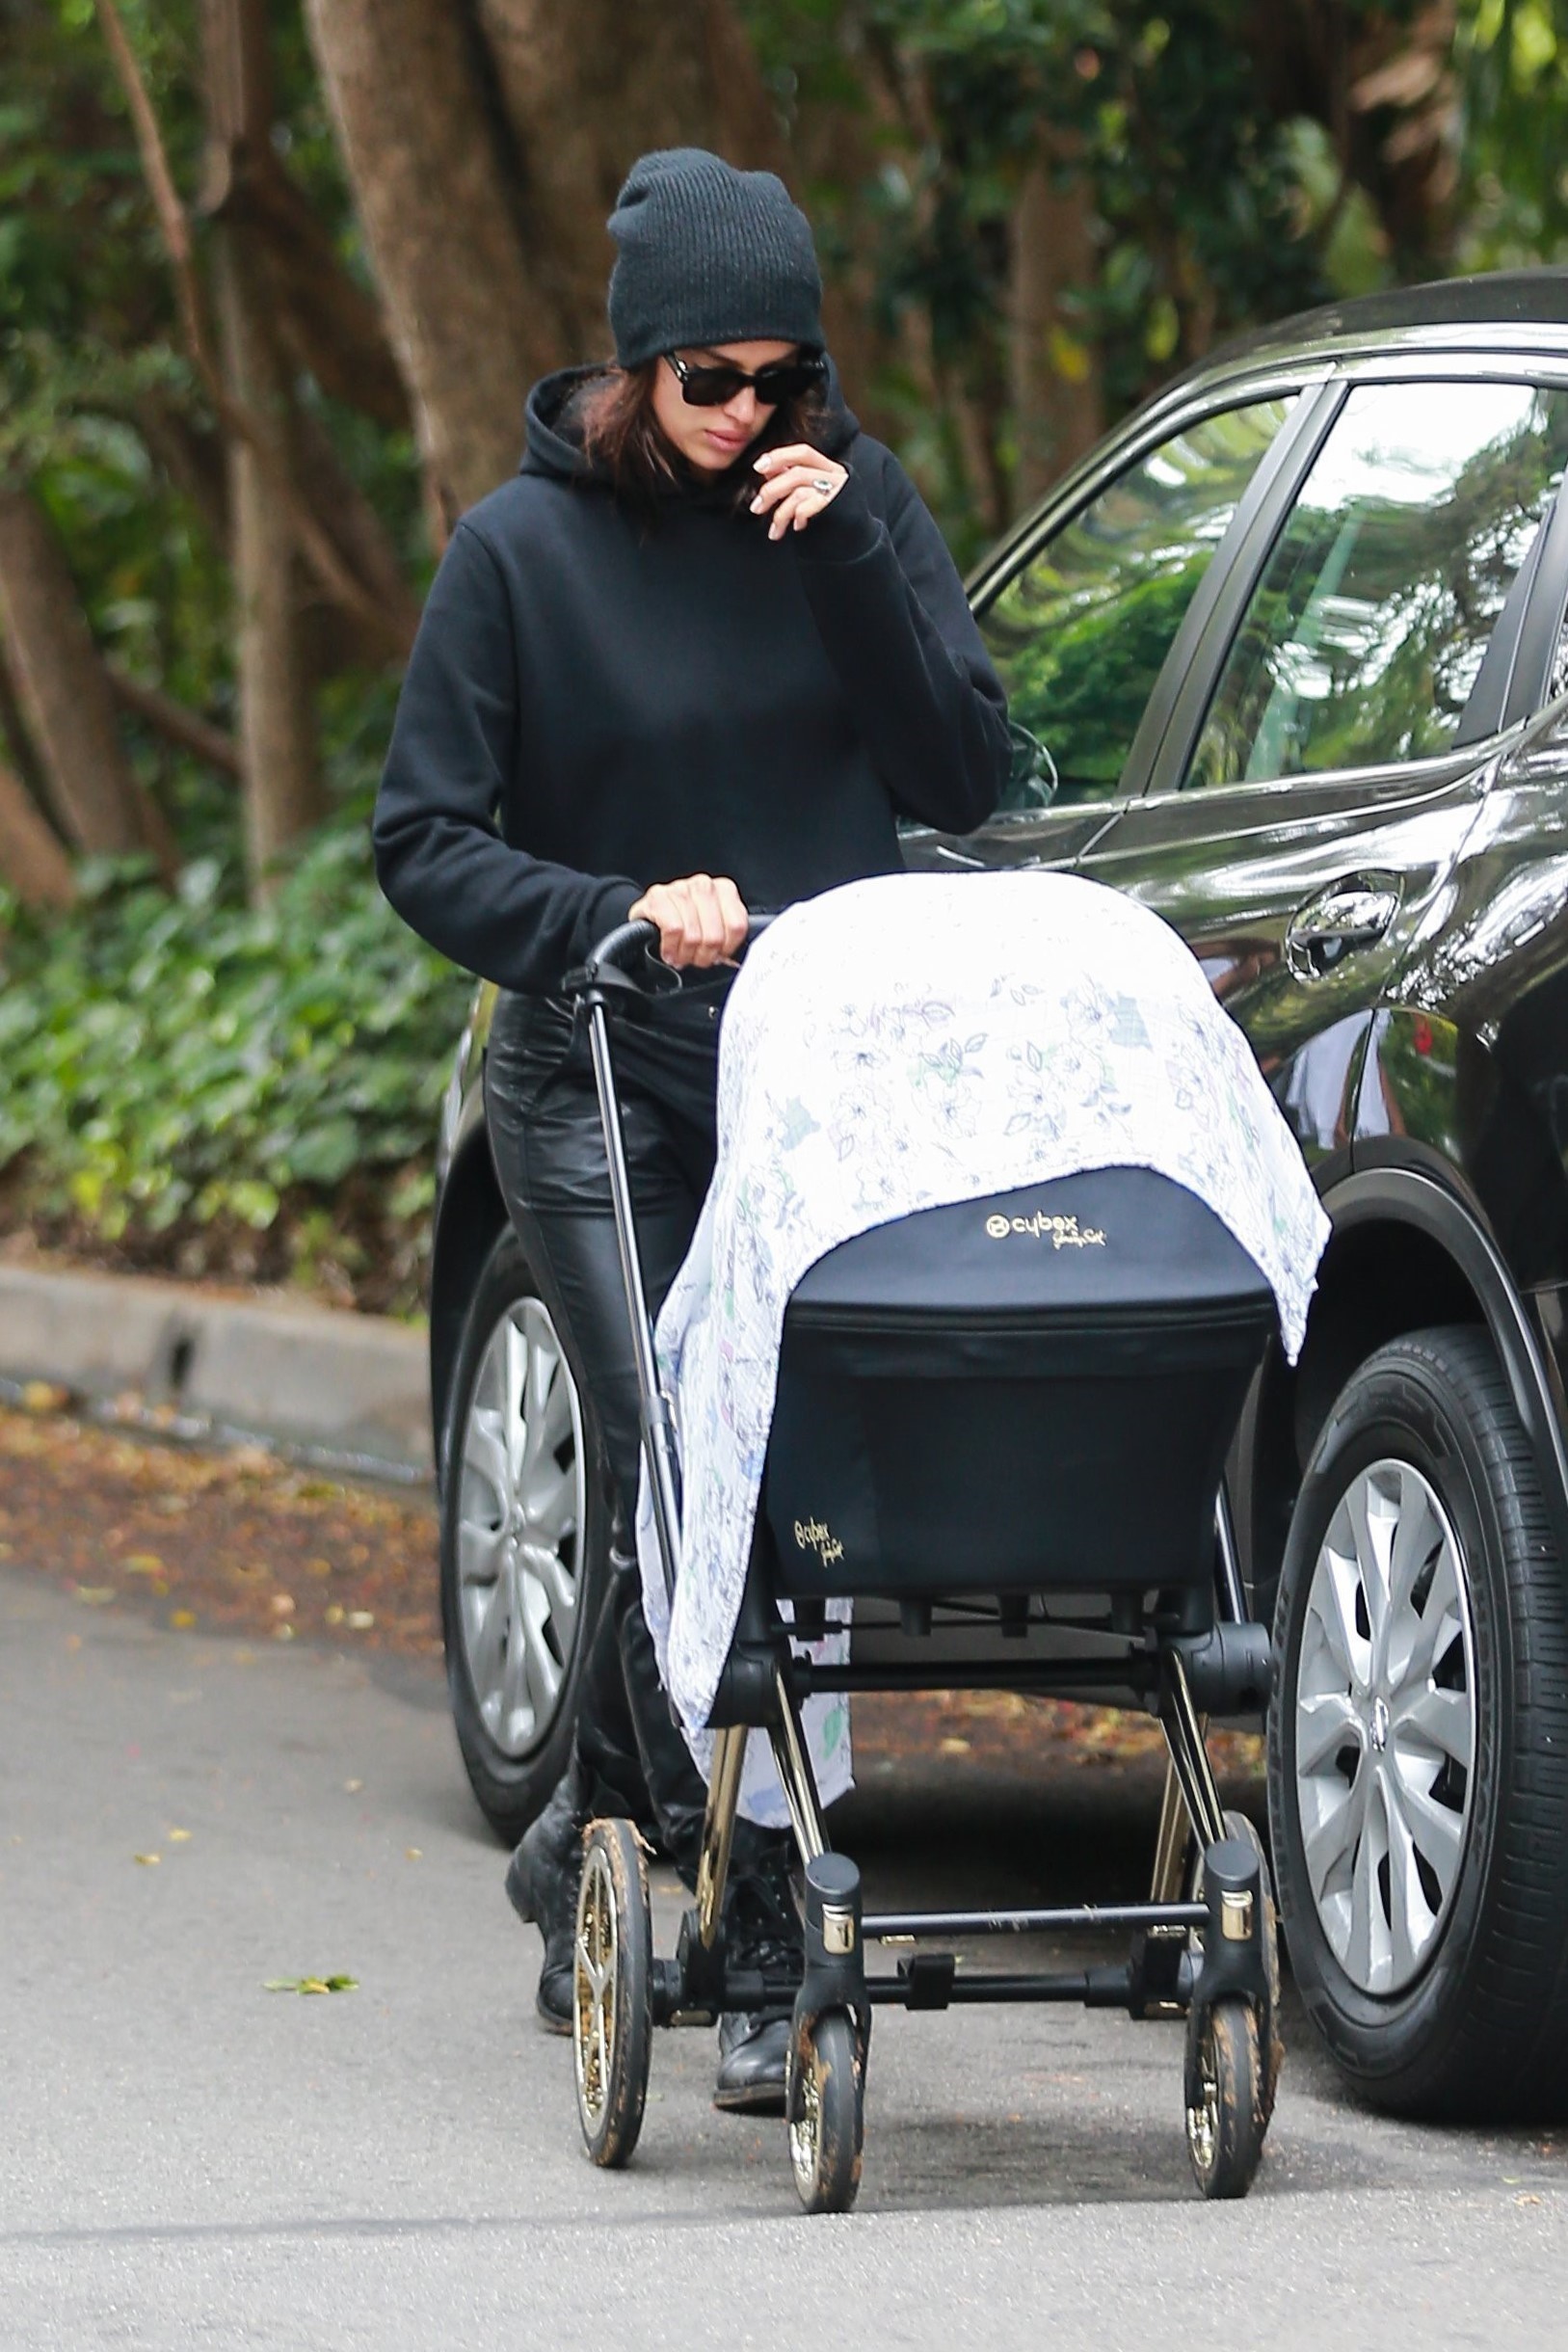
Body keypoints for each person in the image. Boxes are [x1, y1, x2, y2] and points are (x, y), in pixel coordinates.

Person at [374, 146, 1011, 2113]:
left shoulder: (848, 506)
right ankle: (749, 1938)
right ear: (633, 371)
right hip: (598, 1069)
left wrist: (846, 551)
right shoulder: (516, 556)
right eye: (711, 383)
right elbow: (421, 838)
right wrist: (610, 914)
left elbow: (965, 773)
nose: (752, 418)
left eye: (786, 380)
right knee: (686, 1454)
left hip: (807, 1071)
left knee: (783, 1459)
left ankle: (588, 1825)